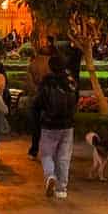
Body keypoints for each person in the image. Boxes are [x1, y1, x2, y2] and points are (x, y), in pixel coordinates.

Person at [34, 54, 78, 200]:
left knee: (46, 154)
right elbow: (75, 100)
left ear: (50, 66)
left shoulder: (47, 81)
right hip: (68, 125)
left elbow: (38, 102)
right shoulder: (71, 81)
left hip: (50, 124)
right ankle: (62, 189)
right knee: (64, 157)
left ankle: (50, 175)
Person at [25, 42, 52, 158]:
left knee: (36, 126)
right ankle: (49, 151)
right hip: (49, 98)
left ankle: (34, 150)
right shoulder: (51, 64)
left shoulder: (33, 64)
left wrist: (36, 92)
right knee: (49, 126)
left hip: (37, 97)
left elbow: (29, 81)